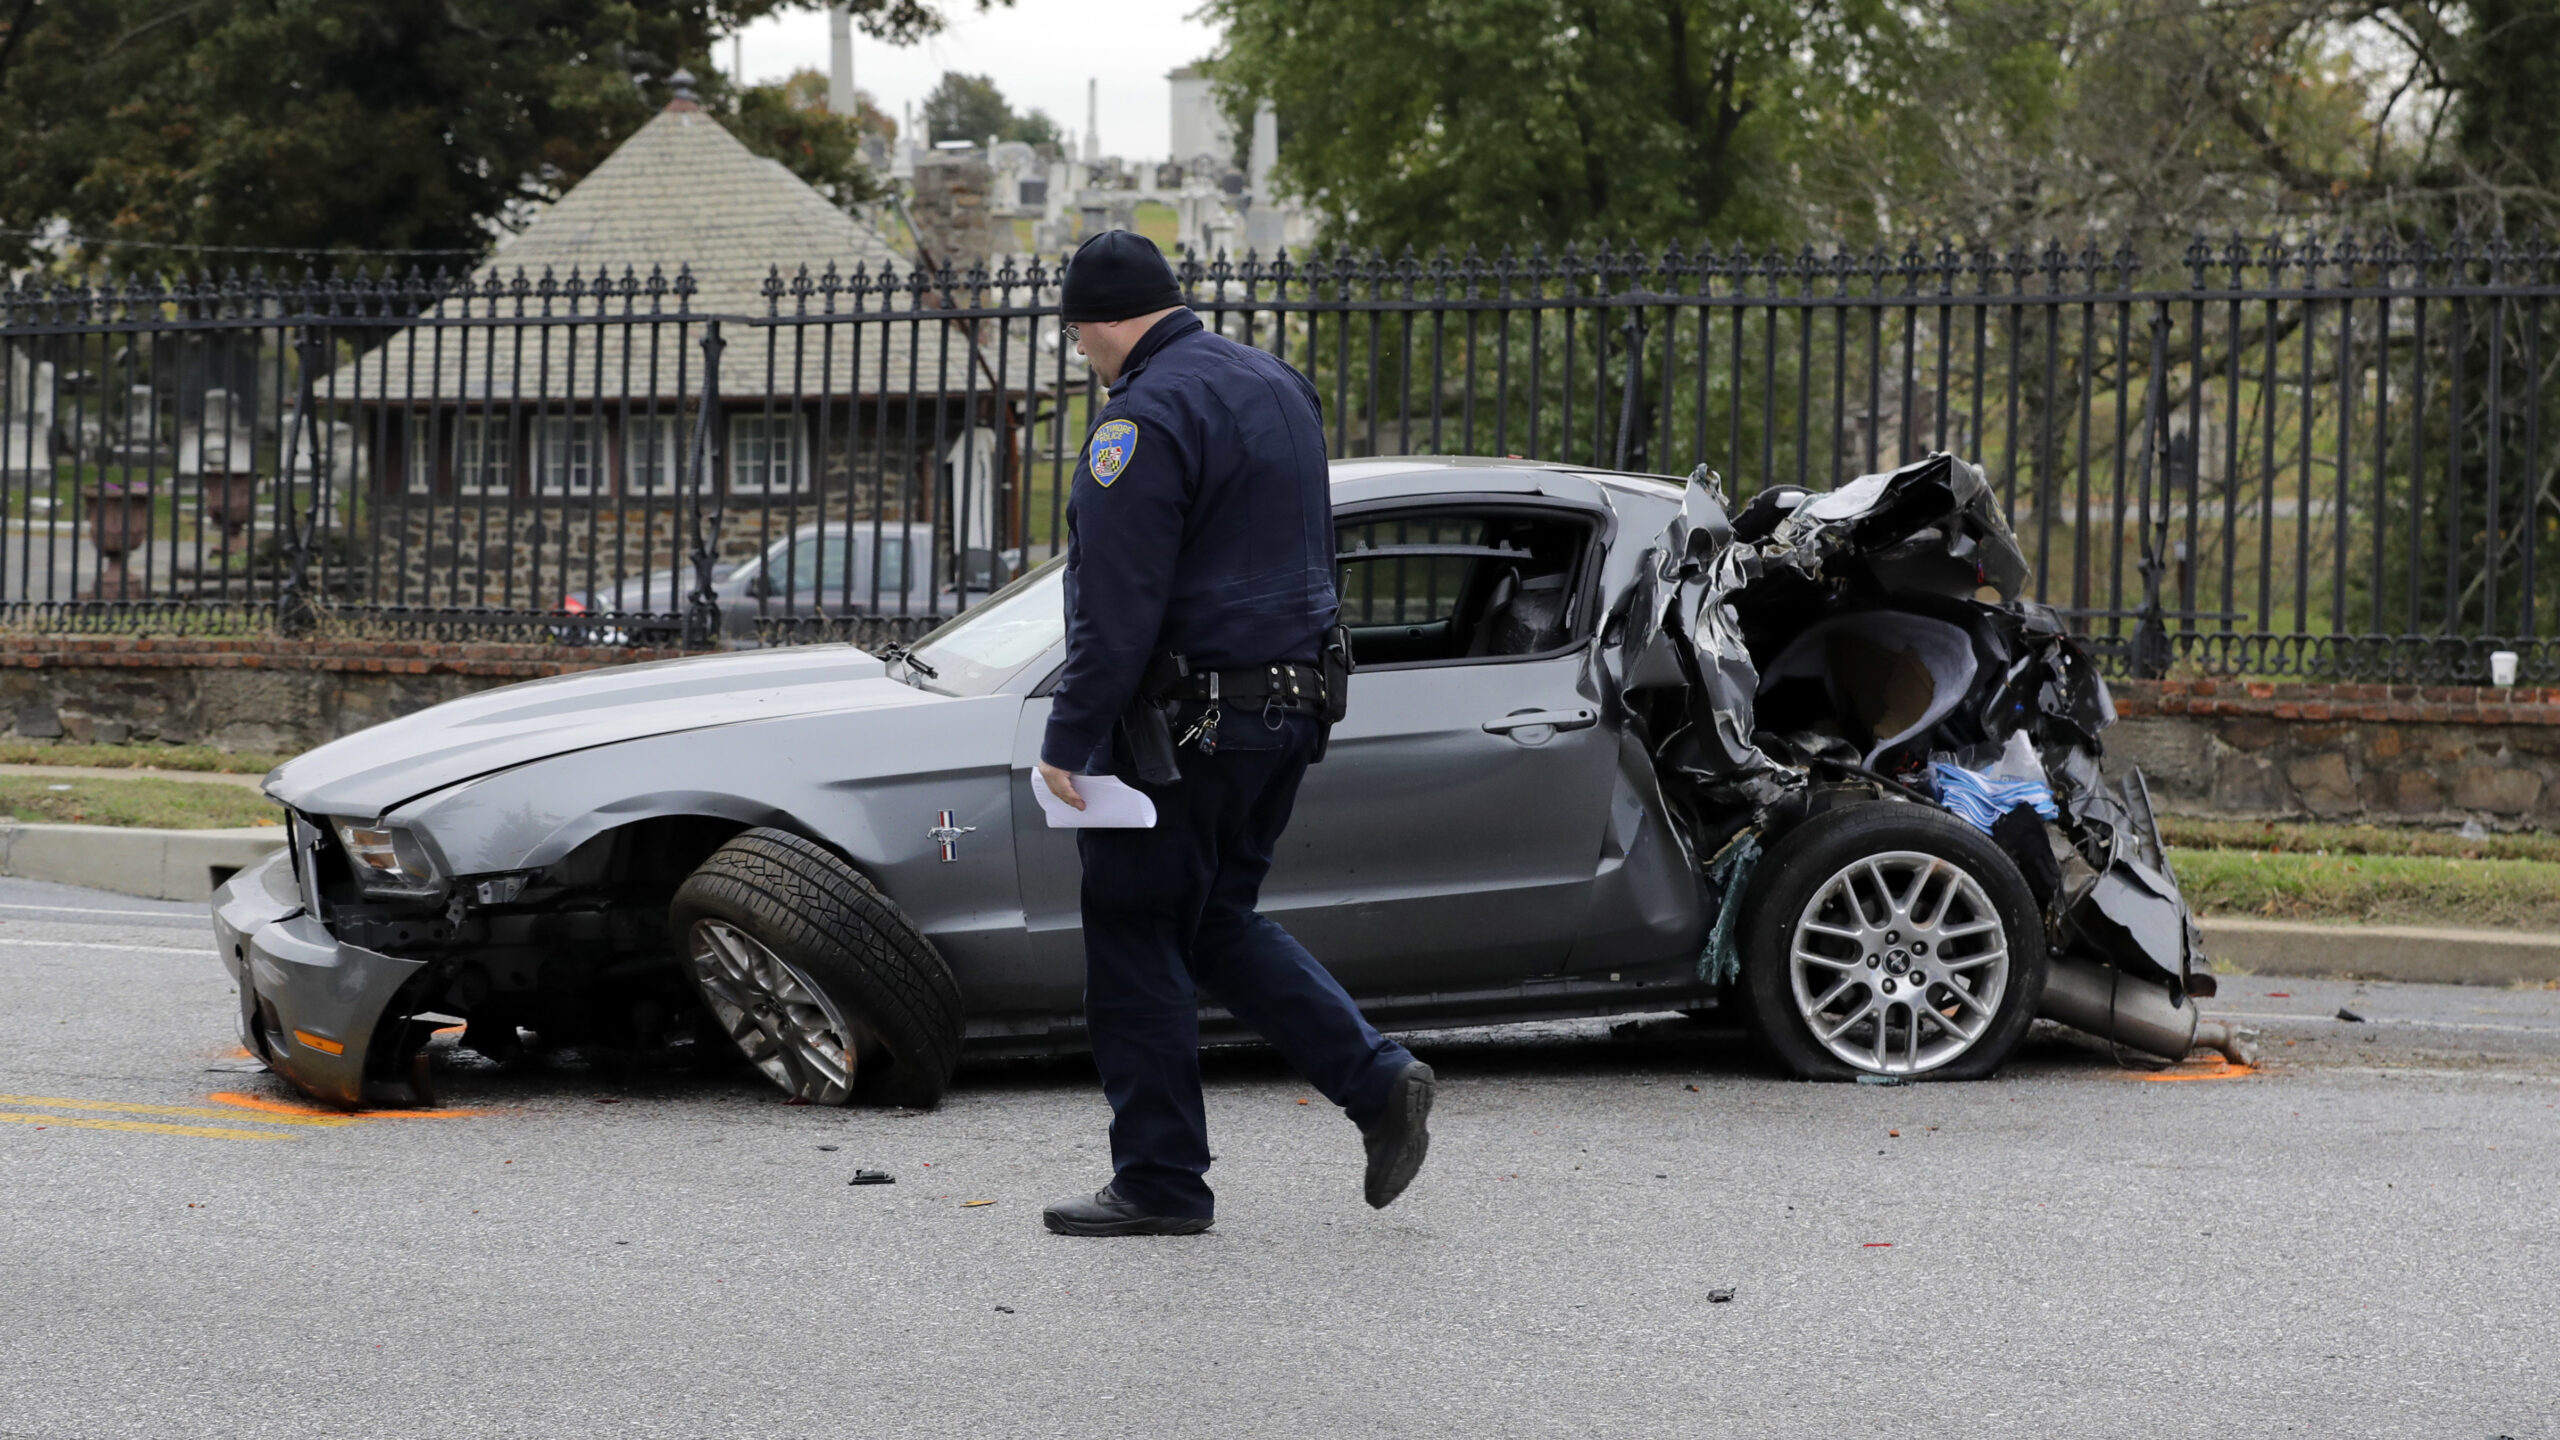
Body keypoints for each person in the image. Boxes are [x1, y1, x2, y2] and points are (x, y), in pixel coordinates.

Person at [1034, 230, 1435, 1237]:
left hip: (1185, 721)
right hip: (1289, 708)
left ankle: (1162, 1182)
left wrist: (1070, 738)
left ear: (1101, 323)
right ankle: (1377, 1081)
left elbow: (1119, 605)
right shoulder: (1274, 383)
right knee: (1214, 920)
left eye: (1080, 337)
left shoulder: (1142, 418)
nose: (1084, 355)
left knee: (1134, 932)